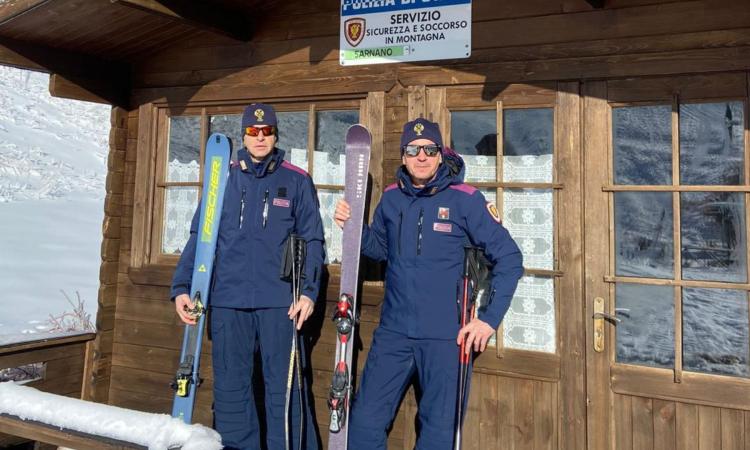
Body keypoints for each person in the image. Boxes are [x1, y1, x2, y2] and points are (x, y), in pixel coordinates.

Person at [334, 118, 523, 449]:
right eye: (413, 150)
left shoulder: (466, 200)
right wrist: (351, 228)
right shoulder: (392, 199)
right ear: (403, 156)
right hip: (393, 333)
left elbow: (510, 259)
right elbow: (378, 248)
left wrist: (488, 320)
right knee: (363, 425)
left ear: (440, 154)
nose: (421, 156)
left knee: (437, 435)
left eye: (429, 150)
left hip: (446, 339)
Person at [171, 103, 324, 450]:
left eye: (266, 131)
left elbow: (314, 240)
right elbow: (200, 236)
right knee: (231, 390)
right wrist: (182, 286)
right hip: (228, 301)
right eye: (253, 132)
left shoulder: (296, 180)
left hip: (280, 303)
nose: (260, 137)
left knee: (284, 391)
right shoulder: (221, 177)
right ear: (243, 135)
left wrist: (309, 292)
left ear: (275, 134)